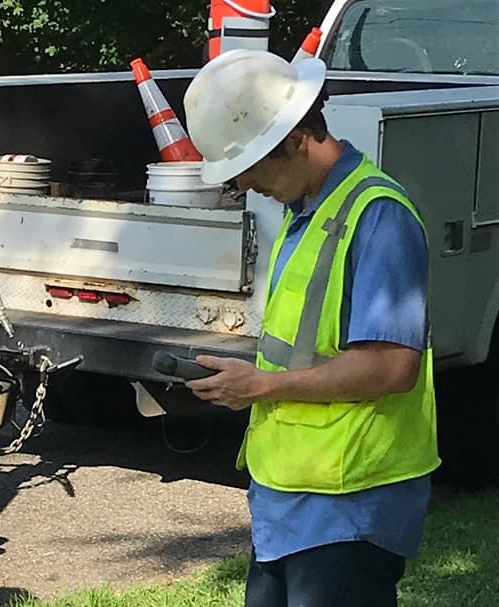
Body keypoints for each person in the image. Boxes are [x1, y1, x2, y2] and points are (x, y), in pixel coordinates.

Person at [181, 49, 440, 607]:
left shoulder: (377, 215)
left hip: (349, 502)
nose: (247, 183)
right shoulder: (309, 211)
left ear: (299, 137)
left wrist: (261, 385)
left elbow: (393, 366)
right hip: (296, 497)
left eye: (253, 165)